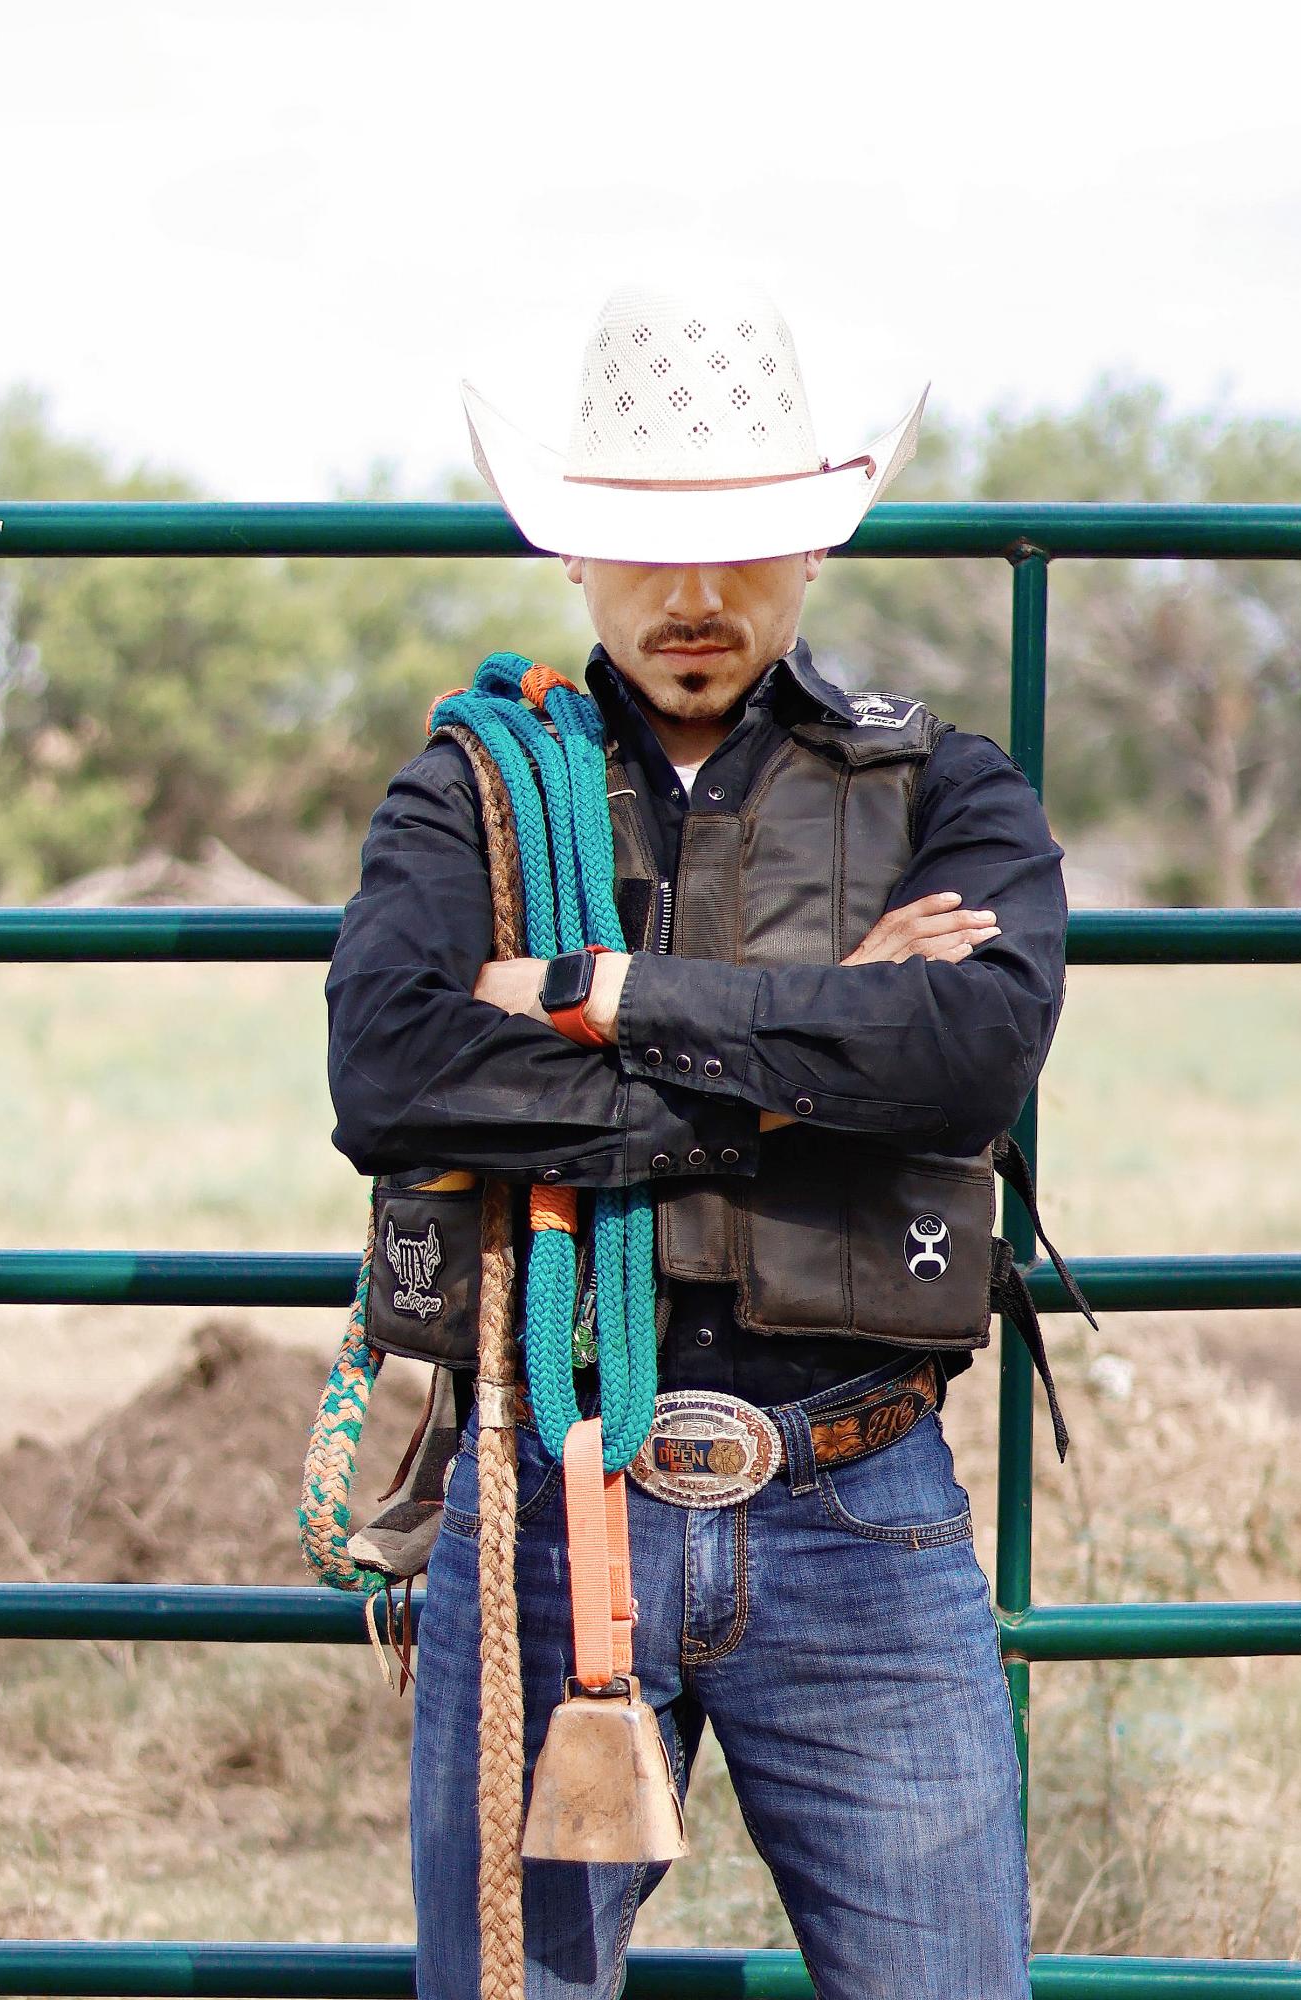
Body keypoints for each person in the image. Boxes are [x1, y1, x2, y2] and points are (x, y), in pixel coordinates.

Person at [325, 282, 1070, 2000]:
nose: (696, 597)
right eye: (648, 545)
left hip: (855, 1489)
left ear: (812, 553)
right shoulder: (477, 786)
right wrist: (807, 1072)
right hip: (548, 1482)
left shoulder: (945, 788)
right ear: (575, 555)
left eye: (743, 546)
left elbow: (964, 1056)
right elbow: (389, 1070)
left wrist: (581, 989)